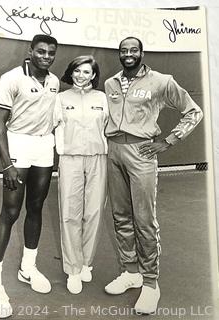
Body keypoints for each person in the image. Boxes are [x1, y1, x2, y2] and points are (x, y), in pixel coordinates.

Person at [104, 36, 203, 314]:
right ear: (119, 54)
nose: (128, 54)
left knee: (144, 219)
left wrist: (169, 141)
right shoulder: (111, 83)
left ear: (142, 53)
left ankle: (150, 283)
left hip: (141, 153)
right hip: (113, 152)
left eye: (133, 50)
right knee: (120, 215)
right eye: (123, 51)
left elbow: (193, 112)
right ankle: (131, 271)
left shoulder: (161, 81)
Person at [0, 34, 59, 318]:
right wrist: (6, 165)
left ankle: (28, 267)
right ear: (30, 51)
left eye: (51, 53)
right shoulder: (11, 78)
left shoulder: (53, 82)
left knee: (36, 207)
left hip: (43, 146)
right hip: (17, 145)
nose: (46, 57)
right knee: (10, 212)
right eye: (41, 52)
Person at [54, 55, 108, 294]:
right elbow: (53, 127)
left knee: (94, 212)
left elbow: (109, 129)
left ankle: (86, 262)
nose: (81, 75)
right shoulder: (61, 98)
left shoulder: (103, 99)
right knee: (69, 213)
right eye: (77, 71)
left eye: (87, 72)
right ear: (71, 72)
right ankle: (73, 269)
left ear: (94, 75)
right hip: (70, 160)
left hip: (98, 158)